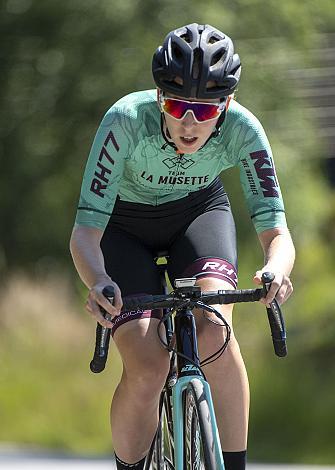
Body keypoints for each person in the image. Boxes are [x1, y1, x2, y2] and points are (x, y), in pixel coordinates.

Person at [70, 23, 295, 470]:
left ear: (226, 105)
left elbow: (277, 233)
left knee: (214, 328)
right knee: (147, 363)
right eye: (176, 105)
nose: (190, 123)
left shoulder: (244, 130)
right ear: (158, 99)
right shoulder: (124, 122)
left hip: (197, 215)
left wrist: (276, 269)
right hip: (123, 228)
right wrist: (98, 281)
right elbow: (85, 233)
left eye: (206, 110)